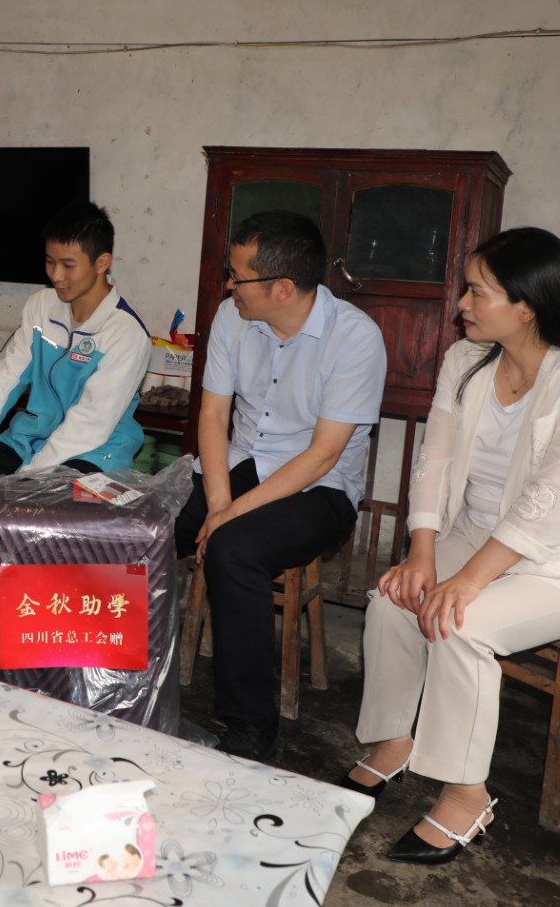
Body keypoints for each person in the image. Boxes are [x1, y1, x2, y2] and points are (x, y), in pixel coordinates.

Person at [343, 227, 560, 865]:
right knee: (393, 599)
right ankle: (395, 741)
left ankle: (466, 795)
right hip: (472, 538)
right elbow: (434, 459)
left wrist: (468, 581)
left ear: (527, 306)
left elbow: (554, 497)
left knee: (459, 623)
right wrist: (421, 553)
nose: (462, 304)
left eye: (478, 292)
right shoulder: (466, 360)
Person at [173, 210, 387, 761]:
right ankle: (115, 671)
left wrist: (228, 519)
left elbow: (323, 455)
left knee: (233, 548)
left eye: (237, 276)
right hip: (241, 463)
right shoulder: (231, 316)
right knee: (148, 524)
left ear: (283, 287)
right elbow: (214, 415)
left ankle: (252, 724)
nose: (228, 286)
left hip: (319, 487)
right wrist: (219, 502)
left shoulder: (355, 337)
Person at [0, 201, 147, 490]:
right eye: (50, 261)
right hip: (26, 440)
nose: (56, 275)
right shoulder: (40, 306)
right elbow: (7, 379)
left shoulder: (126, 334)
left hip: (93, 454)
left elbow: (90, 426)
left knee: (21, 510)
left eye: (68, 265)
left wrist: (25, 478)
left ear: (102, 262)